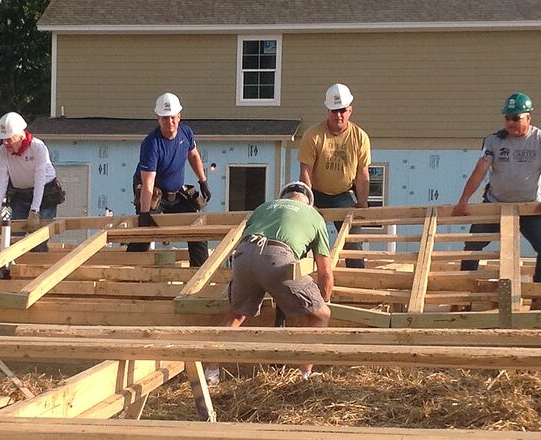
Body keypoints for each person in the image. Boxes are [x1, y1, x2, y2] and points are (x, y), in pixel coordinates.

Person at [205, 181, 333, 384]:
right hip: (278, 258)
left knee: (236, 314)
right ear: (308, 202)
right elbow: (325, 272)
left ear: (283, 197)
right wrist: (321, 301)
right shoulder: (314, 216)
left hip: (244, 255)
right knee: (321, 315)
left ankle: (211, 373)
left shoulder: (263, 208)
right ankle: (305, 377)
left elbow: (246, 242)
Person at [453, 92, 541, 310]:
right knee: (471, 247)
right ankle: (464, 298)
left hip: (530, 206)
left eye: (516, 118)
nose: (511, 123)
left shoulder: (540, 139)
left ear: (528, 118)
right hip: (496, 203)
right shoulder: (495, 140)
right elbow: (479, 171)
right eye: (507, 118)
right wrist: (464, 200)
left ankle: (540, 296)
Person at [127, 92, 212, 267]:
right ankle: (127, 272)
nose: (169, 123)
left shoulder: (186, 133)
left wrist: (203, 181)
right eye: (165, 119)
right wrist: (144, 213)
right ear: (158, 119)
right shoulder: (152, 144)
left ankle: (199, 278)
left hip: (176, 194)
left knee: (197, 232)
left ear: (179, 117)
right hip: (153, 193)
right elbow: (148, 182)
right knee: (146, 232)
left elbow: (193, 156)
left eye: (172, 118)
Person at [297, 83, 370, 268]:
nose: (338, 115)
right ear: (327, 111)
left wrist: (362, 204)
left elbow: (362, 174)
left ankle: (357, 277)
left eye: (342, 110)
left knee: (352, 240)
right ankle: (299, 276)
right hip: (316, 194)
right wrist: (308, 204)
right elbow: (305, 171)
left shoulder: (359, 137)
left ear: (350, 110)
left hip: (343, 195)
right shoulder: (313, 135)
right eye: (334, 111)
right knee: (303, 235)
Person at [0, 112, 65, 252]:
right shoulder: (2, 151)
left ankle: (38, 270)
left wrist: (34, 210)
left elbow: (40, 180)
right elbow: (1, 182)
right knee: (15, 238)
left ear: (20, 135)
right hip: (21, 195)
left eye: (9, 139)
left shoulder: (38, 147)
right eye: (3, 139)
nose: (5, 143)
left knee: (38, 239)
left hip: (45, 194)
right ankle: (15, 270)